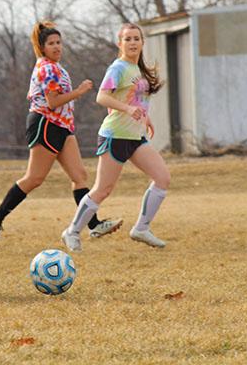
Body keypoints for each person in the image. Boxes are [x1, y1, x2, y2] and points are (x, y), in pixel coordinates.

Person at [0, 21, 123, 241]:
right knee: (35, 178)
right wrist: (79, 91)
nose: (57, 47)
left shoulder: (55, 66)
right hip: (46, 124)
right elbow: (52, 102)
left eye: (59, 42)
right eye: (51, 43)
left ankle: (94, 225)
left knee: (80, 176)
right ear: (42, 47)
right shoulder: (47, 67)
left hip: (62, 127)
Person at [61, 22, 170, 252]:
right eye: (127, 39)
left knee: (162, 178)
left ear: (142, 42)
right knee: (103, 189)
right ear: (119, 43)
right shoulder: (118, 68)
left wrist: (144, 117)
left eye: (136, 38)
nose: (132, 42)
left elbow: (137, 100)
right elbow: (102, 97)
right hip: (115, 136)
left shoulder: (138, 70)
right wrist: (128, 110)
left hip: (135, 137)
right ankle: (71, 231)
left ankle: (141, 228)